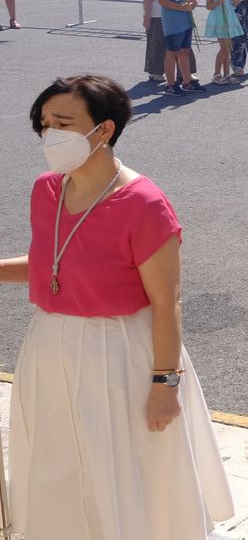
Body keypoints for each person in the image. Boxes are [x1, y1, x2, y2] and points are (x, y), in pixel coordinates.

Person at [2, 75, 234, 537]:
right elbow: (53, 264)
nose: (50, 134)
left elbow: (166, 301)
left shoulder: (144, 203)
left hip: (121, 355)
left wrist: (165, 383)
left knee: (126, 478)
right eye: (44, 124)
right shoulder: (46, 190)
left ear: (104, 129)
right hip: (50, 348)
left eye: (63, 123)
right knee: (61, 471)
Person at [155, 0, 203, 95]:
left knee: (184, 51)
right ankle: (170, 84)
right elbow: (162, 0)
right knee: (172, 52)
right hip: (173, 22)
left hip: (186, 20)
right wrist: (181, 7)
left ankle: (187, 82)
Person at [203, 0, 245, 85]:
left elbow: (230, 5)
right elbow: (208, 5)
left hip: (229, 16)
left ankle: (227, 74)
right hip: (219, 18)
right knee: (224, 48)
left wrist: (235, 2)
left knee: (228, 48)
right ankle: (216, 74)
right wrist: (218, 2)